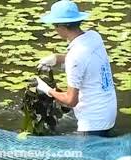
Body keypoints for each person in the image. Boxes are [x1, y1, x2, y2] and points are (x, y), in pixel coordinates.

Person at [36, 0, 117, 137]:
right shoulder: (94, 37)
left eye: (54, 26)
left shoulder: (75, 56)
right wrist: (56, 58)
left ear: (61, 27)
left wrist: (47, 90)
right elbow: (84, 60)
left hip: (92, 123)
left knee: (85, 157)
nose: (55, 30)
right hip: (108, 112)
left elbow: (71, 100)